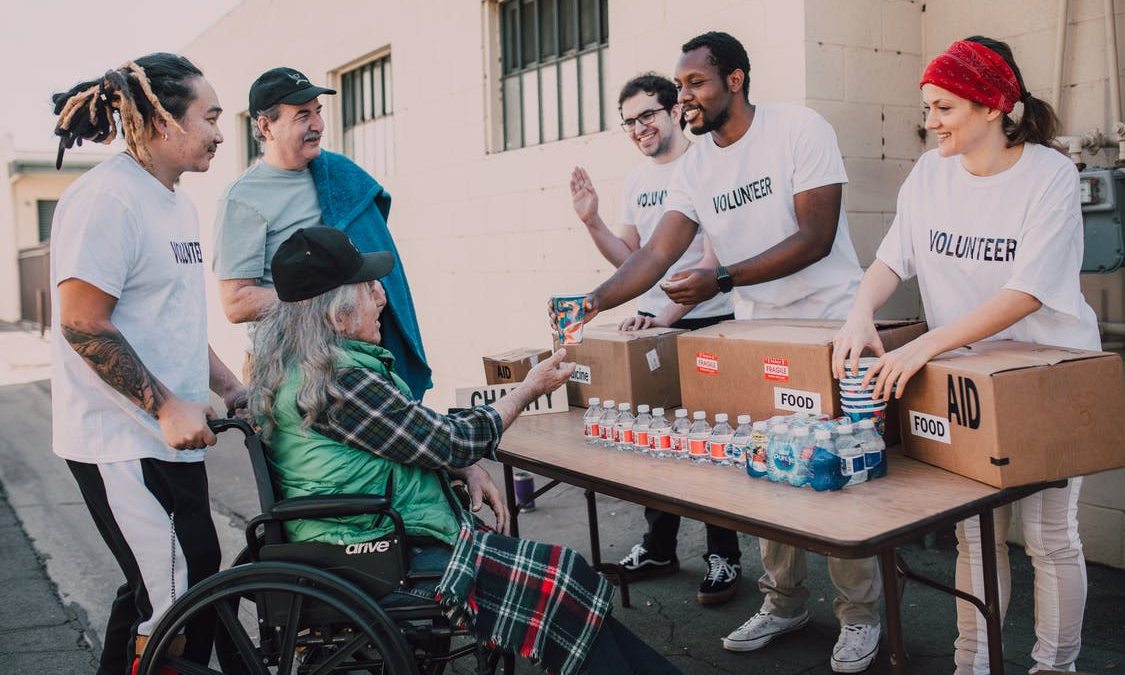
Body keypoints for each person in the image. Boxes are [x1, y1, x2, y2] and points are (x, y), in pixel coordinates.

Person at [563, 31, 882, 673]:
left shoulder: (799, 129)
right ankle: (783, 601)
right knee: (766, 467)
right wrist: (591, 301)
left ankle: (861, 616)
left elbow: (817, 236)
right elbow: (655, 255)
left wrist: (725, 279)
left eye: (695, 84)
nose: (685, 98)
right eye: (680, 87)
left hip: (825, 324)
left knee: (837, 475)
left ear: (735, 80)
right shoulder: (697, 164)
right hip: (756, 331)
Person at [249, 226, 684, 675]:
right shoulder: (339, 384)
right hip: (375, 552)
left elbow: (413, 440)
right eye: (367, 288)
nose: (381, 297)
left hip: (362, 537)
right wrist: (526, 390)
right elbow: (449, 441)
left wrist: (463, 467)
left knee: (565, 581)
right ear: (336, 317)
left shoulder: (308, 369)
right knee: (560, 582)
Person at [832, 37, 1096, 675]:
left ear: (994, 106)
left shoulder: (1050, 175)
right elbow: (893, 258)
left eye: (944, 106)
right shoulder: (930, 173)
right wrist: (859, 311)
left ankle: (1054, 666)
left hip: (1046, 374)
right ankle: (972, 664)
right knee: (974, 534)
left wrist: (922, 346)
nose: (931, 121)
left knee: (1048, 538)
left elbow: (1025, 293)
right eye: (927, 107)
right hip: (967, 376)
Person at [49, 53, 246, 675]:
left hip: (172, 440)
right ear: (163, 120)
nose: (219, 132)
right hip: (121, 442)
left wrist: (230, 387)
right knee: (175, 598)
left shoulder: (176, 203)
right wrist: (164, 406)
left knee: (172, 584)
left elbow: (172, 323)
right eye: (210, 117)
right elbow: (82, 322)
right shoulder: (107, 199)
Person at [570, 72, 739, 604]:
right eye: (629, 121)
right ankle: (659, 547)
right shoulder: (637, 181)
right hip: (651, 327)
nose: (639, 128)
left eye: (647, 115)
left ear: (674, 112)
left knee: (711, 444)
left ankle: (724, 555)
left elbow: (714, 257)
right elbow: (634, 260)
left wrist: (664, 315)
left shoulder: (706, 165)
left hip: (705, 323)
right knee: (653, 443)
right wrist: (592, 221)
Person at [213, 66, 431, 399]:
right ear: (265, 126)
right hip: (285, 367)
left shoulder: (339, 175)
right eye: (303, 115)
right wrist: (328, 296)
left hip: (355, 359)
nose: (318, 125)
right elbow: (235, 303)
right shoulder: (243, 198)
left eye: (318, 112)